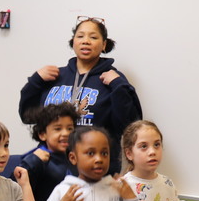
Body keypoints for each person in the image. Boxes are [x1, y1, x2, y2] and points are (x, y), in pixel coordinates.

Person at [18, 16, 141, 175]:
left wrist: (119, 86)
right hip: (51, 168)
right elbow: (28, 117)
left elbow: (129, 126)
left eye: (93, 37)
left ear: (104, 44)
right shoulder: (54, 76)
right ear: (73, 42)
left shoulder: (112, 79)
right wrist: (35, 82)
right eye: (80, 36)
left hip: (94, 171)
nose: (86, 41)